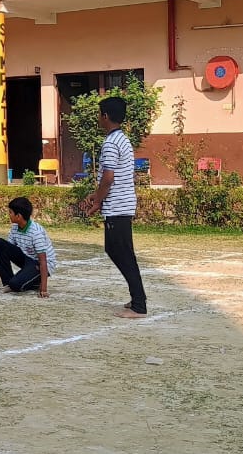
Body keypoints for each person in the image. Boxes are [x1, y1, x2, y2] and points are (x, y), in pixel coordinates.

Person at [84, 96, 149, 318]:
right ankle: (136, 299)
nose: (98, 118)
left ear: (105, 116)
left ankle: (140, 304)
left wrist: (98, 201)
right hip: (123, 203)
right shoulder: (122, 139)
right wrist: (97, 195)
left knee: (121, 252)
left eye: (99, 114)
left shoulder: (111, 143)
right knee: (118, 251)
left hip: (118, 206)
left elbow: (109, 178)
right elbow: (114, 176)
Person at [0, 197, 55, 297]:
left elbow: (43, 261)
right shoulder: (15, 227)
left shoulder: (36, 232)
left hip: (42, 264)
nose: (8, 215)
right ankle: (10, 282)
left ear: (18, 216)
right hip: (27, 259)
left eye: (10, 212)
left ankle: (32, 282)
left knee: (15, 284)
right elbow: (6, 252)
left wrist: (43, 289)